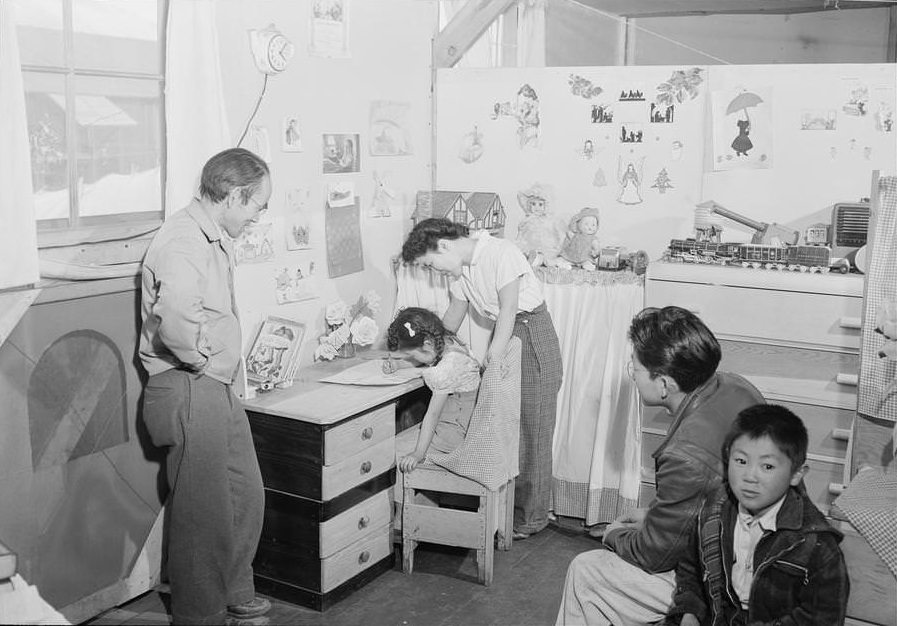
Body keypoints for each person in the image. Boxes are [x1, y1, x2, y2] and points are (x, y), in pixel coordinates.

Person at [556, 306, 764, 626]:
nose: (632, 375)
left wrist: (613, 535)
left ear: (664, 384)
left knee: (587, 571)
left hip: (725, 587)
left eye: (635, 369)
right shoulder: (736, 386)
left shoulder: (685, 455)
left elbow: (655, 556)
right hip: (745, 552)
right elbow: (709, 498)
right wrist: (655, 516)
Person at [138, 148, 272, 626]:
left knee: (243, 493)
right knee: (202, 510)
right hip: (188, 384)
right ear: (235, 195)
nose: (258, 215)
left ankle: (234, 587)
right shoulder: (183, 241)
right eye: (258, 204)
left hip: (212, 386)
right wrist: (203, 362)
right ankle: (201, 614)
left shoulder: (210, 236)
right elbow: (174, 318)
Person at [401, 218, 563, 540]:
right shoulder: (461, 272)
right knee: (505, 427)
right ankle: (506, 512)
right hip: (507, 336)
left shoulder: (501, 253)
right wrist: (415, 351)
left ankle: (531, 518)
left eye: (431, 264)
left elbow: (509, 309)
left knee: (533, 427)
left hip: (530, 334)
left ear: (444, 246)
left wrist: (495, 355)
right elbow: (451, 320)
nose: (435, 273)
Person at [662, 404, 849, 625]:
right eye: (741, 461)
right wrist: (689, 611)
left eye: (767, 466)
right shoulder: (714, 510)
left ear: (797, 473)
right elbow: (691, 568)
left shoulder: (816, 544)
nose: (750, 477)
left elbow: (822, 618)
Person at [385, 307, 481, 471]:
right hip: (466, 427)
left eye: (413, 355)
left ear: (427, 344)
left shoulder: (445, 369)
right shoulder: (449, 343)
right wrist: (399, 364)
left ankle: (400, 497)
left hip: (453, 436)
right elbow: (427, 358)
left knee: (390, 452)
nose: (413, 359)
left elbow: (433, 415)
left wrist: (418, 453)